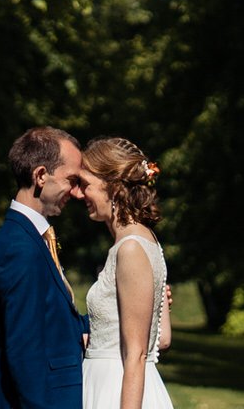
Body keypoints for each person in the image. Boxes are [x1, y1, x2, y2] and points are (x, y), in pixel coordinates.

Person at [0, 126, 89, 409]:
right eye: (72, 180)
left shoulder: (31, 238)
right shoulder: (19, 248)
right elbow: (24, 350)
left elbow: (57, 323)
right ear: (41, 175)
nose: (78, 193)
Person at [76, 136, 174, 409]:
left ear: (113, 185)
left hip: (116, 388)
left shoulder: (130, 248)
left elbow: (137, 355)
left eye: (85, 185)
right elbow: (162, 338)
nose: (79, 194)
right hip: (110, 378)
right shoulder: (145, 240)